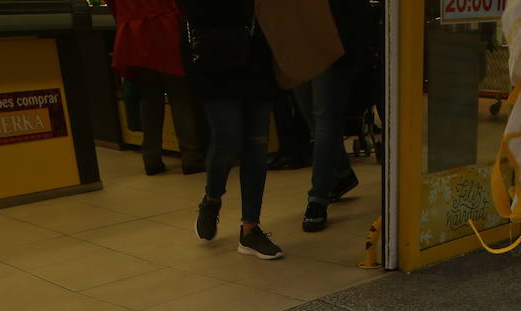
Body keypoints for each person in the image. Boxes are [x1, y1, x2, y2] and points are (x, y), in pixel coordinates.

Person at [178, 0, 283, 260]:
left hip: (256, 59)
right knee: (227, 140)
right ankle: (212, 198)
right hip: (212, 62)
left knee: (257, 147)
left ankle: (250, 230)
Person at [296, 0, 374, 232]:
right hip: (299, 39)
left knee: (324, 118)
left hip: (337, 36)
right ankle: (341, 172)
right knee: (310, 114)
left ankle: (318, 198)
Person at [110, 0, 205, 176]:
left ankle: (151, 159)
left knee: (148, 98)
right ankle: (191, 157)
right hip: (166, 28)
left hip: (133, 32)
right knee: (180, 97)